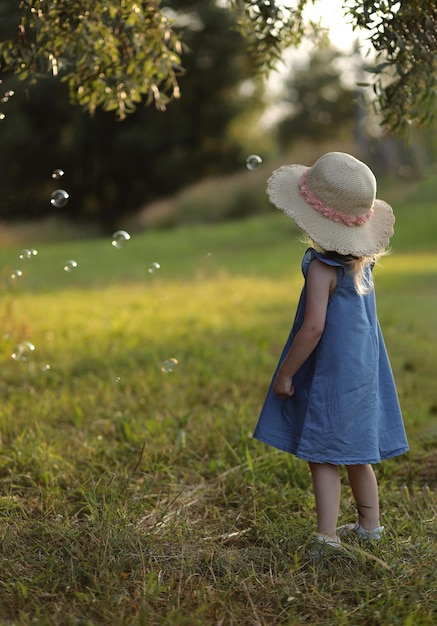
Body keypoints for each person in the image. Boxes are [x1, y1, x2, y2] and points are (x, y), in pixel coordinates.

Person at [253, 152, 409, 549]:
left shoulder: (323, 269)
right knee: (359, 451)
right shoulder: (363, 265)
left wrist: (286, 373)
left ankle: (326, 537)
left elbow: (314, 327)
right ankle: (370, 528)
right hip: (363, 369)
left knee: (323, 453)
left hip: (332, 373)